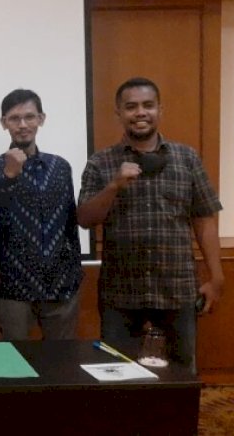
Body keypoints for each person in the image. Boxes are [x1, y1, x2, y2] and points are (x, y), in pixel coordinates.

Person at [77, 77, 224, 370]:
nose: (140, 112)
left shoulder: (187, 158)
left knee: (180, 377)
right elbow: (84, 219)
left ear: (160, 109)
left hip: (177, 290)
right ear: (119, 113)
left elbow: (205, 219)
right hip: (121, 294)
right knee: (118, 376)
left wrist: (216, 277)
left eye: (148, 105)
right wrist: (113, 186)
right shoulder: (100, 163)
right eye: (131, 106)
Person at [0, 89, 83, 340]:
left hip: (60, 284)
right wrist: (9, 177)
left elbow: (70, 223)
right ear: (4, 123)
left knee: (62, 358)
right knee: (16, 359)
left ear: (41, 119)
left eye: (29, 117)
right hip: (11, 285)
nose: (23, 125)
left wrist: (75, 273)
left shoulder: (60, 167)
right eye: (14, 118)